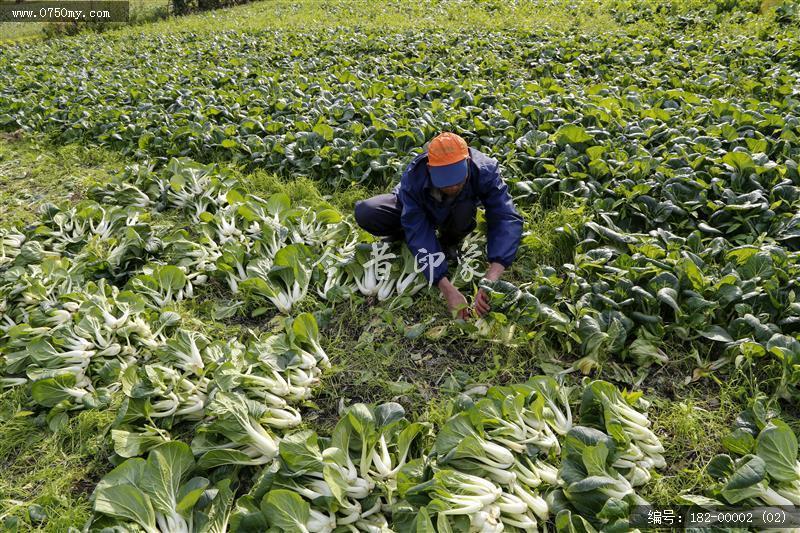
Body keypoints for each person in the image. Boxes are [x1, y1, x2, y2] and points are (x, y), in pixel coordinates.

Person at [354, 132, 523, 318]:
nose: (452, 187)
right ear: (429, 168)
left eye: (458, 181)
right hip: (418, 209)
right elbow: (417, 228)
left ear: (467, 162)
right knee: (368, 212)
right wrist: (446, 287)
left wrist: (491, 278)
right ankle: (403, 235)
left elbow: (506, 217)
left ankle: (448, 242)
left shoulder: (485, 169)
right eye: (445, 182)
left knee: (464, 211)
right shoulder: (414, 176)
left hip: (456, 212)